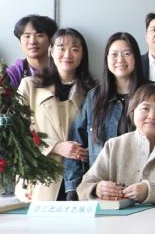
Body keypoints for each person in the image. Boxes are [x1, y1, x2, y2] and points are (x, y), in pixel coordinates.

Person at [77, 83, 155, 205]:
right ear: (133, 111)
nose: (152, 116)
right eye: (145, 108)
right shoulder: (114, 145)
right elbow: (83, 188)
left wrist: (148, 191)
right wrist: (97, 189)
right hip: (119, 217)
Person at [16, 28, 96, 201]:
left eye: (75, 49)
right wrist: (55, 147)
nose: (67, 54)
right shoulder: (30, 86)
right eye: (61, 48)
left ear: (82, 55)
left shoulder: (92, 91)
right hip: (40, 177)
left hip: (79, 178)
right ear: (51, 51)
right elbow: (16, 132)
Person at [65, 32, 146, 200]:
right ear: (106, 58)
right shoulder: (94, 97)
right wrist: (73, 190)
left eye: (126, 54)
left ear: (136, 58)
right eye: (114, 54)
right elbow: (76, 146)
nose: (120, 60)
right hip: (101, 191)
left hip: (142, 190)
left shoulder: (151, 94)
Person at [6, 14, 56, 88]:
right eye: (27, 36)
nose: (32, 41)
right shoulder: (13, 74)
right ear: (20, 41)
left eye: (39, 35)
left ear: (50, 40)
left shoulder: (62, 67)